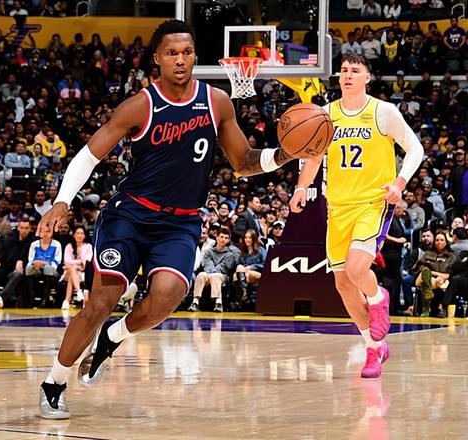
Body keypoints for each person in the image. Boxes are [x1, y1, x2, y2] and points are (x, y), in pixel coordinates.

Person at [37, 19, 295, 418]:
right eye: (172, 53)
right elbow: (89, 155)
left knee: (166, 298)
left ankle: (113, 336)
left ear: (195, 56)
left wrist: (282, 155)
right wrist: (62, 201)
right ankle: (54, 382)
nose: (180, 59)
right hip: (130, 216)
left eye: (187, 52)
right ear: (157, 58)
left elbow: (243, 161)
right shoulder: (140, 105)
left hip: (180, 223)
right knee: (101, 301)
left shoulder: (217, 102)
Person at [289, 53, 424, 379]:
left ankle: (378, 297)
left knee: (356, 268)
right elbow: (314, 158)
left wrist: (400, 182)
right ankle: (374, 349)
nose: (348, 75)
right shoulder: (325, 115)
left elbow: (415, 148)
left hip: (372, 204)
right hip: (337, 207)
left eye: (355, 70)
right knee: (343, 284)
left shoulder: (383, 112)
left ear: (367, 77)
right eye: (344, 70)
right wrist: (301, 187)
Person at [63, 225, 93, 307]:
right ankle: (79, 291)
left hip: (83, 273)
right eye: (78, 233)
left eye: (82, 233)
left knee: (71, 274)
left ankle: (67, 300)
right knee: (72, 270)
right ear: (74, 235)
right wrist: (79, 263)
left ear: (85, 236)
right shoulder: (69, 246)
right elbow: (67, 261)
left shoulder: (88, 246)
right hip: (69, 272)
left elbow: (87, 261)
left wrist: (74, 265)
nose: (79, 235)